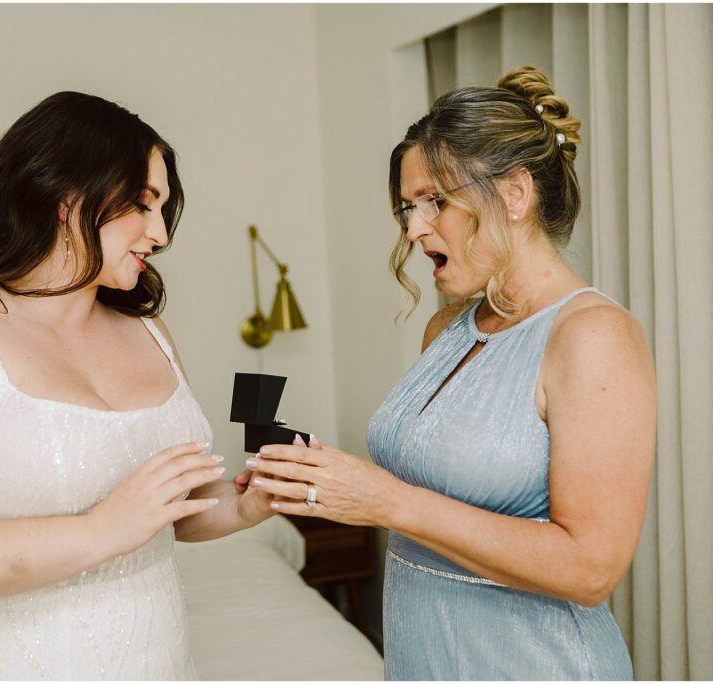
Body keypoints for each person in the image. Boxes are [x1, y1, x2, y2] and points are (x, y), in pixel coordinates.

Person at [0, 92, 275, 680]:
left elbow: (164, 516)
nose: (160, 235)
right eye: (143, 206)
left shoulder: (150, 332)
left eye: (163, 209)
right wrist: (98, 531)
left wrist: (247, 502)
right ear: (69, 200)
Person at [243, 66, 656, 680]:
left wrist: (384, 501)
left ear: (516, 195)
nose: (413, 230)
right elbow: (430, 486)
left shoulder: (592, 335)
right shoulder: (445, 330)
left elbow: (591, 570)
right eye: (408, 208)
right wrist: (333, 482)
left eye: (434, 201)